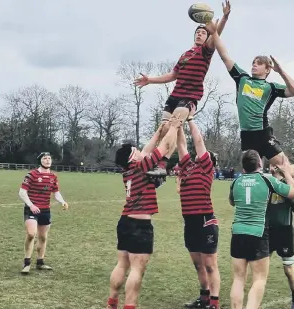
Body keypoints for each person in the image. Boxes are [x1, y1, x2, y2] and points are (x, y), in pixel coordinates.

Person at [203, 19, 294, 189]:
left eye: (259, 63)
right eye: (253, 62)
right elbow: (224, 55)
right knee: (250, 178)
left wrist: (281, 71)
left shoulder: (270, 87)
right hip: (246, 135)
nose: (254, 64)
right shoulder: (242, 79)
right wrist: (214, 31)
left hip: (263, 135)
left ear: (267, 70)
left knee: (285, 169)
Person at [134, 0, 232, 176]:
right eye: (198, 32)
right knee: (163, 129)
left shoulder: (206, 51)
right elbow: (172, 75)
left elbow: (216, 32)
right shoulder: (185, 55)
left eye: (204, 32)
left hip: (189, 97)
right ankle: (154, 164)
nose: (200, 34)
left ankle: (162, 165)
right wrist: (150, 80)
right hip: (174, 96)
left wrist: (224, 17)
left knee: (173, 127)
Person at [106, 117, 182, 309]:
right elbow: (164, 147)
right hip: (140, 225)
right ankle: (130, 305)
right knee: (137, 269)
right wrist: (174, 126)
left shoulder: (129, 170)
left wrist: (158, 130)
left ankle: (112, 302)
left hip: (124, 221)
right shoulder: (142, 166)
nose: (141, 151)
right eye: (136, 151)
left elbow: (147, 150)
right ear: (133, 157)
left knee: (122, 264)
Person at [228, 150, 294, 309]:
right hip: (257, 234)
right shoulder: (267, 179)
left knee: (238, 279)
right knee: (259, 279)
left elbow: (232, 202)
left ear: (243, 166)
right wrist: (287, 174)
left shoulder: (235, 182)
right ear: (260, 164)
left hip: (238, 233)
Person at [176, 120, 221, 309]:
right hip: (190, 222)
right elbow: (181, 144)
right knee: (198, 265)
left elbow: (198, 141)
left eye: (204, 156)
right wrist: (177, 125)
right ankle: (204, 299)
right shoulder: (187, 167)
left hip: (205, 220)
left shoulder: (206, 169)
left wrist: (190, 120)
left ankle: (214, 303)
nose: (199, 155)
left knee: (210, 265)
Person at [18, 152, 69, 274]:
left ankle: (40, 263)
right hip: (31, 209)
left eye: (49, 158)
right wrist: (31, 205)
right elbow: (22, 192)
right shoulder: (32, 175)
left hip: (45, 210)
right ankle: (27, 263)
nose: (47, 160)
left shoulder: (53, 176)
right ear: (40, 161)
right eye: (45, 158)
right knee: (31, 234)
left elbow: (56, 193)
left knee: (43, 237)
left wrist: (62, 201)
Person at [266, 164, 294, 309]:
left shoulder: (287, 185)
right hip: (267, 231)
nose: (273, 167)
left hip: (284, 231)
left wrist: (292, 198)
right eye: (271, 164)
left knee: (288, 270)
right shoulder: (266, 184)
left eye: (276, 164)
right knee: (261, 268)